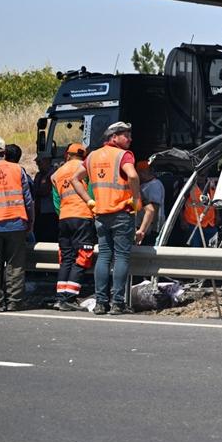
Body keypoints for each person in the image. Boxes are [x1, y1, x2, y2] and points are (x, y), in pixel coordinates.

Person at [72, 122, 141, 315]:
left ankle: (101, 303)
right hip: (121, 213)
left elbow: (75, 179)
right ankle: (117, 303)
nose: (130, 138)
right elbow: (133, 176)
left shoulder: (92, 156)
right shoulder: (124, 155)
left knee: (103, 257)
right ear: (113, 137)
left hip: (101, 214)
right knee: (121, 257)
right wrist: (136, 200)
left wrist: (89, 201)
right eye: (125, 135)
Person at [0, 136, 33, 312]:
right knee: (15, 264)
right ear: (4, 152)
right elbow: (28, 199)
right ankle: (15, 301)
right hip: (16, 222)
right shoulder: (18, 170)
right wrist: (30, 221)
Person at [51, 143, 96, 310]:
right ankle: (69, 297)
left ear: (67, 155)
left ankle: (60, 297)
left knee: (66, 258)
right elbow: (91, 192)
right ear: (84, 156)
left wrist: (63, 213)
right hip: (83, 216)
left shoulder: (56, 174)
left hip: (64, 218)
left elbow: (56, 202)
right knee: (82, 256)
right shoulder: (86, 168)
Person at [182, 175, 218, 247]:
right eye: (199, 176)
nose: (200, 178)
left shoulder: (212, 187)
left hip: (210, 223)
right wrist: (182, 220)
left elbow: (215, 203)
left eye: (202, 176)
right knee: (195, 248)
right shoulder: (190, 188)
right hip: (194, 223)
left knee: (212, 249)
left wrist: (217, 216)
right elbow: (180, 205)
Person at [135, 160, 165, 246]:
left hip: (151, 229)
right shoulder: (144, 185)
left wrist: (147, 228)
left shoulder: (154, 185)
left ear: (142, 173)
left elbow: (154, 209)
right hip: (143, 227)